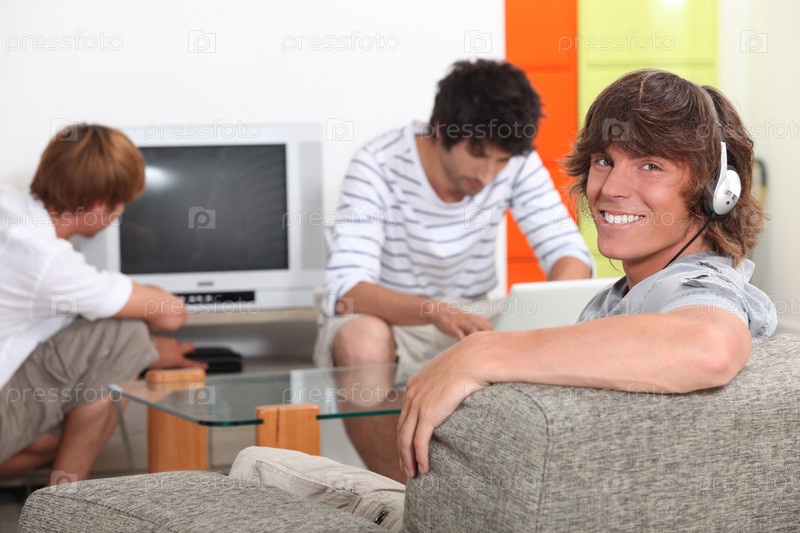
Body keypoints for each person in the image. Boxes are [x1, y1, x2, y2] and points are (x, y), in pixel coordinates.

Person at [396, 69, 778, 479]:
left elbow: (711, 347)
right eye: (604, 161)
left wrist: (481, 352)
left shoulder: (694, 284)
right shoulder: (631, 294)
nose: (610, 188)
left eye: (650, 165)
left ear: (716, 194)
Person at [315, 59, 593, 481]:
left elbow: (568, 253)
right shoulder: (377, 164)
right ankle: (399, 499)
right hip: (392, 318)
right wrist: (434, 310)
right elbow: (347, 291)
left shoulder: (514, 160)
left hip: (473, 314)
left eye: (500, 162)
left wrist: (549, 319)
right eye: (477, 155)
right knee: (361, 340)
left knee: (559, 329)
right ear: (441, 130)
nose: (487, 174)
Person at [0, 124, 206, 485]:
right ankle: (64, 508)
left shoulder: (9, 207)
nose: (120, 215)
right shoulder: (47, 262)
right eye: (121, 204)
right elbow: (171, 314)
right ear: (98, 205)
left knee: (57, 438)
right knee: (125, 337)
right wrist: (143, 346)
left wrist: (148, 350)